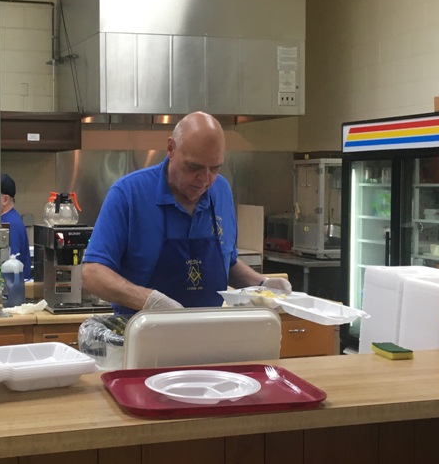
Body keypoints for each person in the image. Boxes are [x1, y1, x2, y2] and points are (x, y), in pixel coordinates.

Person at [81, 111, 290, 315]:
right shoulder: (129, 193)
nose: (205, 179)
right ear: (171, 148)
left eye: (214, 169)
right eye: (194, 167)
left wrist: (262, 285)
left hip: (207, 330)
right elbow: (92, 274)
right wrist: (149, 301)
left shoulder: (222, 191)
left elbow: (229, 263)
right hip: (144, 332)